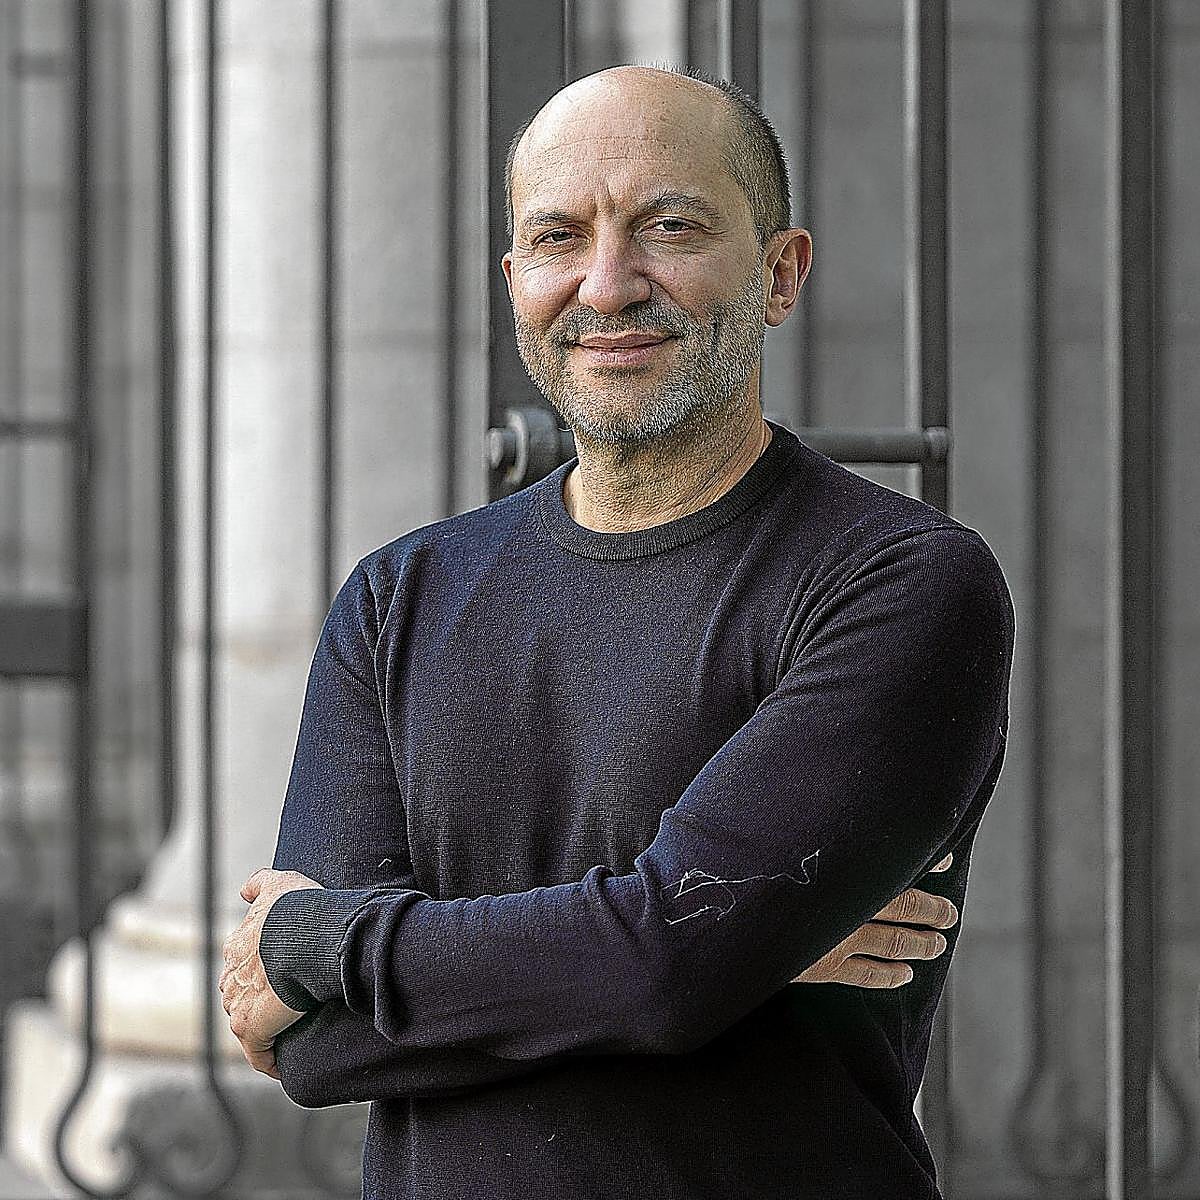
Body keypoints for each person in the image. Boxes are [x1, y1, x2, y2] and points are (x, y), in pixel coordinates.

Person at [220, 65, 1014, 1199]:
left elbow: (662, 970)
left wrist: (325, 946)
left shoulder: (901, 581)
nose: (607, 283)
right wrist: (716, 955)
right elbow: (311, 1046)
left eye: (669, 226)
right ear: (514, 282)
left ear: (781, 272)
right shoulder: (398, 596)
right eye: (557, 237)